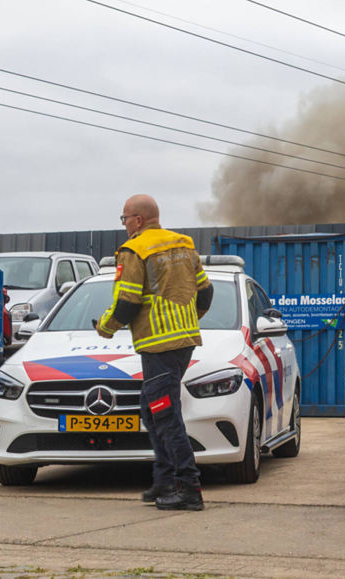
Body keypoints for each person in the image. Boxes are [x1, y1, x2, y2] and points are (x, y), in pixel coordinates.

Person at [96, 194, 214, 511]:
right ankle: (163, 480)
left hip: (158, 345)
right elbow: (206, 292)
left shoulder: (134, 249)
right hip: (184, 342)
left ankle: (189, 488)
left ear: (137, 220)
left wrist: (105, 327)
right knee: (151, 409)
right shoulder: (184, 244)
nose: (123, 226)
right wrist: (189, 319)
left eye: (124, 219)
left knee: (164, 415)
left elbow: (127, 302)